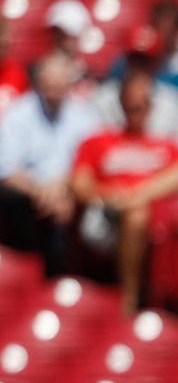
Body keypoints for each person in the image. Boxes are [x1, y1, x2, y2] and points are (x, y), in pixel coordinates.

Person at [69, 69, 178, 312]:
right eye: (131, 105)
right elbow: (79, 184)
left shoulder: (165, 144)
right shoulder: (100, 141)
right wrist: (113, 196)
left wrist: (138, 194)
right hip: (109, 216)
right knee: (137, 213)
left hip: (160, 222)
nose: (137, 110)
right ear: (121, 105)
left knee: (140, 210)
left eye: (142, 105)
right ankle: (129, 300)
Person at [0, 51, 99, 273]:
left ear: (69, 84)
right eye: (48, 85)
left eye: (59, 84)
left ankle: (76, 277)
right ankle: (33, 273)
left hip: (71, 191)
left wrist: (63, 188)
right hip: (31, 198)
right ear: (38, 83)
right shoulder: (18, 114)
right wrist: (42, 193)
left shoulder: (85, 115)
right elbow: (7, 170)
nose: (53, 91)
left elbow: (92, 163)